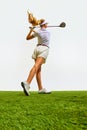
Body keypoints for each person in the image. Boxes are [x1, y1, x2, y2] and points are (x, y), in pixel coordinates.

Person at [21, 20, 51, 96]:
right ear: (44, 25)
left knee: (38, 69)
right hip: (44, 49)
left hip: (37, 49)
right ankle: (27, 82)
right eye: (46, 23)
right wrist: (35, 30)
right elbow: (42, 33)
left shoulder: (38, 32)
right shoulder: (48, 33)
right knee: (36, 66)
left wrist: (31, 30)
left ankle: (40, 88)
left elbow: (27, 38)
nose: (47, 24)